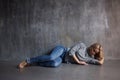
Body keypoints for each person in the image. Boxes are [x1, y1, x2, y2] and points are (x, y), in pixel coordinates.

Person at [18, 42, 104, 69]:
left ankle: (34, 63)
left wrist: (101, 56)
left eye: (95, 52)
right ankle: (27, 61)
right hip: (63, 51)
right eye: (93, 50)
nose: (93, 52)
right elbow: (71, 52)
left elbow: (99, 62)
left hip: (63, 59)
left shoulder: (88, 58)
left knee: (54, 64)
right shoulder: (82, 45)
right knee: (51, 57)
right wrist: (79, 62)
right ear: (91, 47)